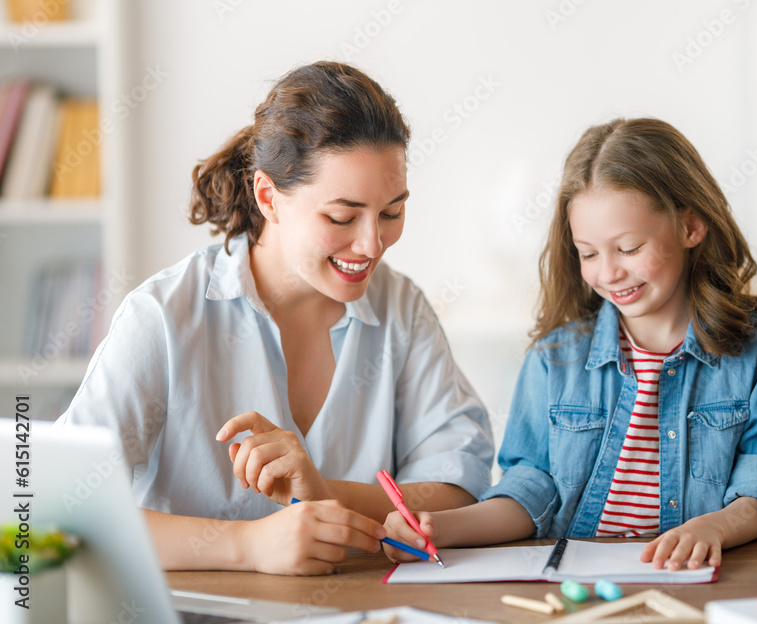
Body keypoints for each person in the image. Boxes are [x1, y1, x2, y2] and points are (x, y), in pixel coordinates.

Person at [56, 61, 494, 576]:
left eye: (392, 212)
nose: (372, 244)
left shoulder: (402, 310)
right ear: (269, 197)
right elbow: (62, 507)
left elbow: (458, 489)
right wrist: (247, 546)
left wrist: (324, 491)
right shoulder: (162, 317)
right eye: (341, 217)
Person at [384, 117, 757, 571]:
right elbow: (531, 490)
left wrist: (713, 527)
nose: (609, 273)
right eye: (589, 253)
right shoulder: (554, 358)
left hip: (694, 583)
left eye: (630, 248)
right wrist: (441, 527)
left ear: (691, 227)